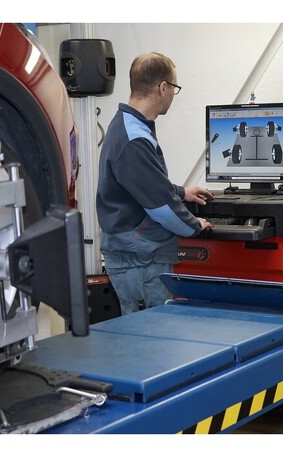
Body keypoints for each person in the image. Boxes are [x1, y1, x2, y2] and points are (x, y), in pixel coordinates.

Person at [96, 51, 214, 315]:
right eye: (174, 88)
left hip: (135, 254)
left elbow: (142, 185)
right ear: (163, 87)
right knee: (149, 331)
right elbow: (161, 208)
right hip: (138, 259)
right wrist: (195, 225)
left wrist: (181, 192)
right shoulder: (134, 138)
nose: (173, 94)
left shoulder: (129, 125)